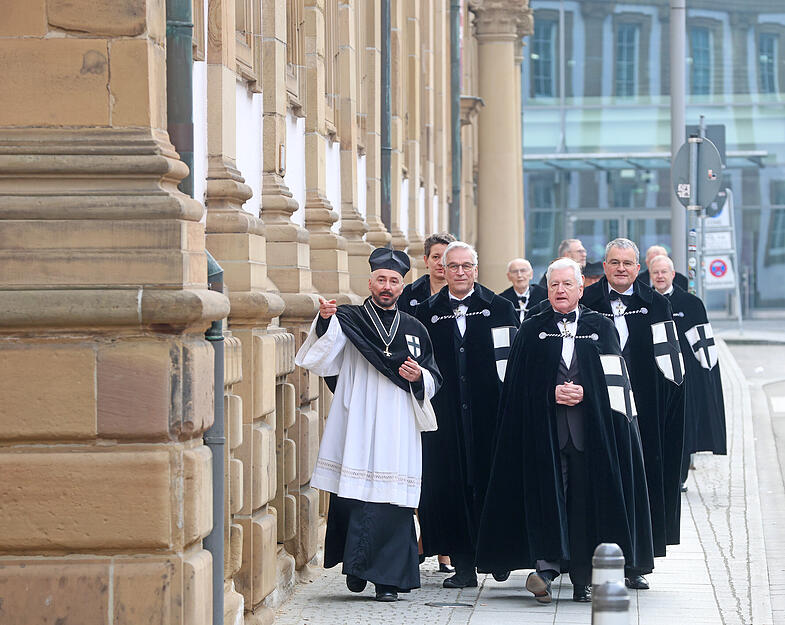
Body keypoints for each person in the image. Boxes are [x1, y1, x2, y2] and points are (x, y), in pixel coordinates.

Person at [476, 258, 653, 603]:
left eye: (567, 285)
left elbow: (618, 383)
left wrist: (589, 392)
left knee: (586, 503)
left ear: (580, 288)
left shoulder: (600, 327)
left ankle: (582, 579)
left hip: (591, 433)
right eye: (554, 284)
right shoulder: (532, 327)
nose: (560, 291)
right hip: (546, 432)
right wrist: (549, 392)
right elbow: (515, 383)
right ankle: (546, 566)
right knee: (548, 498)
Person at [294, 248, 442, 602]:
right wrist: (326, 320)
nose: (386, 286)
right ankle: (357, 568)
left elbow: (435, 376)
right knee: (357, 498)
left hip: (398, 424)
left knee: (393, 503)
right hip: (357, 419)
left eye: (394, 281)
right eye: (381, 280)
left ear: (403, 286)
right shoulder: (349, 320)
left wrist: (419, 376)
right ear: (370, 282)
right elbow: (321, 357)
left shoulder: (415, 328)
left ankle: (388, 579)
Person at [581, 238, 686, 590]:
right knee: (601, 484)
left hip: (644, 413)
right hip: (597, 409)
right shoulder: (588, 301)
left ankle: (636, 562)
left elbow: (671, 366)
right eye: (614, 262)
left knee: (641, 486)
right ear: (605, 266)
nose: (621, 269)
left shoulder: (656, 304)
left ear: (637, 268)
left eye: (628, 263)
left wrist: (664, 416)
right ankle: (591, 560)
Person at [414, 241, 518, 588]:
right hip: (445, 417)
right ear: (442, 270)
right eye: (453, 266)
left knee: (491, 482)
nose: (459, 272)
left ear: (476, 269)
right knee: (450, 487)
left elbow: (511, 364)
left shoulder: (500, 308)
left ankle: (497, 553)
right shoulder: (428, 313)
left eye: (466, 266)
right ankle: (462, 566)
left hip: (489, 413)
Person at [649, 255, 727, 489]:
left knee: (680, 428)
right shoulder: (644, 304)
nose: (660, 276)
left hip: (684, 379)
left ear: (673, 275)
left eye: (664, 272)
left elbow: (705, 349)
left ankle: (678, 477)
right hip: (652, 378)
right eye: (656, 272)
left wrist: (707, 381)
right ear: (650, 275)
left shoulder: (691, 304)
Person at [399, 232, 456, 314]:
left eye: (446, 257)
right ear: (426, 260)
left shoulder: (464, 293)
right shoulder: (409, 293)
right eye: (436, 257)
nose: (441, 263)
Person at [499, 258, 547, 323]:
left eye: (523, 271)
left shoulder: (545, 296)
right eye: (515, 271)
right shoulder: (502, 299)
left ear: (531, 274)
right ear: (508, 276)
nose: (519, 275)